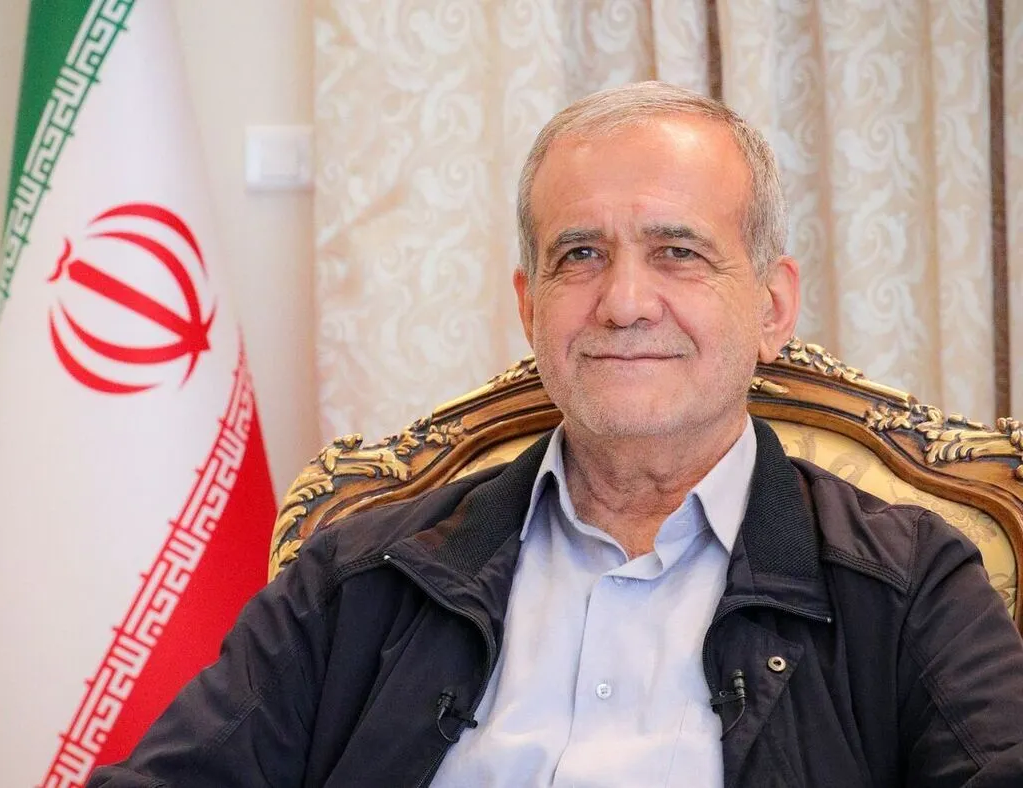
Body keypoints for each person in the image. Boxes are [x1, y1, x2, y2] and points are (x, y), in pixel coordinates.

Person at [89, 82, 1023, 787]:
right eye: (580, 255)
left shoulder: (908, 586)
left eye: (678, 252)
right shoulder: (360, 580)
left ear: (773, 307)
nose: (624, 303)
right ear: (530, 307)